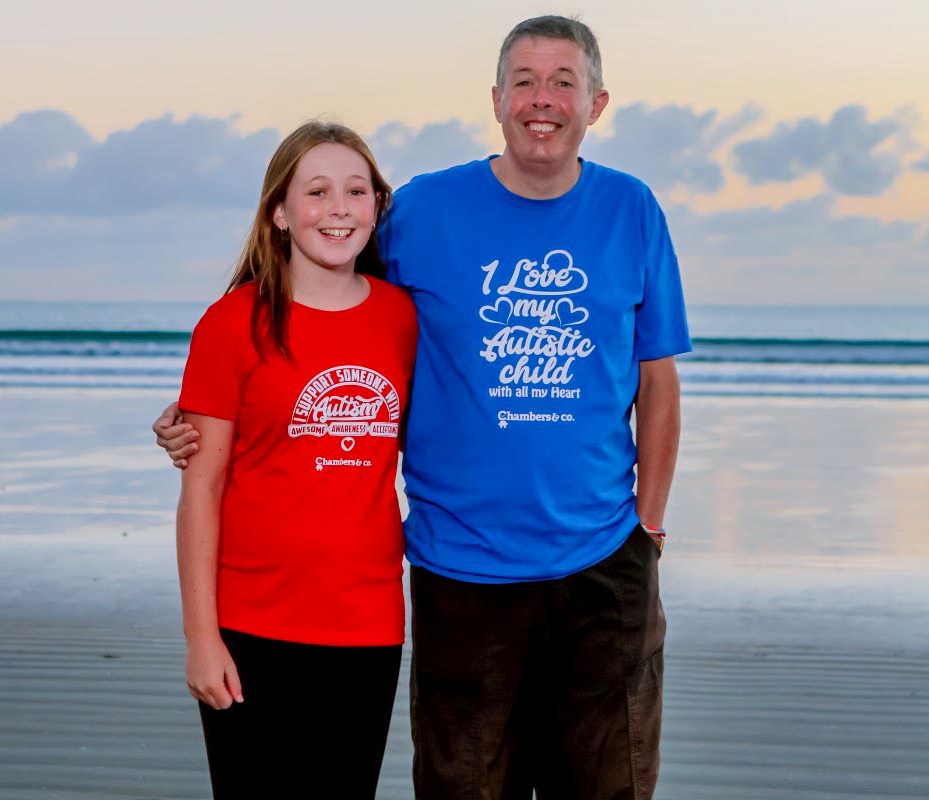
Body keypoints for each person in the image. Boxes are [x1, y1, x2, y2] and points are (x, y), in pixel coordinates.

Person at [158, 16, 689, 800]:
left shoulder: (632, 210)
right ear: (496, 99)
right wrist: (198, 414)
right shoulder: (422, 212)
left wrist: (648, 522)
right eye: (524, 82)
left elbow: (657, 379)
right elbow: (323, 306)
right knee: (463, 787)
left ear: (596, 103)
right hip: (458, 569)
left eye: (563, 82)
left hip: (603, 565)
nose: (542, 100)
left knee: (610, 785)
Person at [174, 120, 417, 799]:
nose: (338, 208)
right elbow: (202, 488)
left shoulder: (403, 319)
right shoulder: (232, 323)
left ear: (376, 207)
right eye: (316, 191)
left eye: (355, 191)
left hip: (367, 626)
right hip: (250, 624)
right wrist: (201, 636)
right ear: (279, 212)